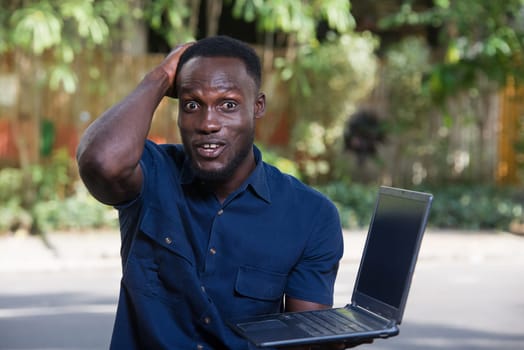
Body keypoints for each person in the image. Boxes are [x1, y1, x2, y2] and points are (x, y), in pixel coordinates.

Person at [77, 36, 360, 349]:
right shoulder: (152, 174)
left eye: (228, 105)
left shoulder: (310, 214)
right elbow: (101, 161)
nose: (208, 123)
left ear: (258, 107)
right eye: (192, 105)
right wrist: (159, 77)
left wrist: (338, 337)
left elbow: (304, 339)